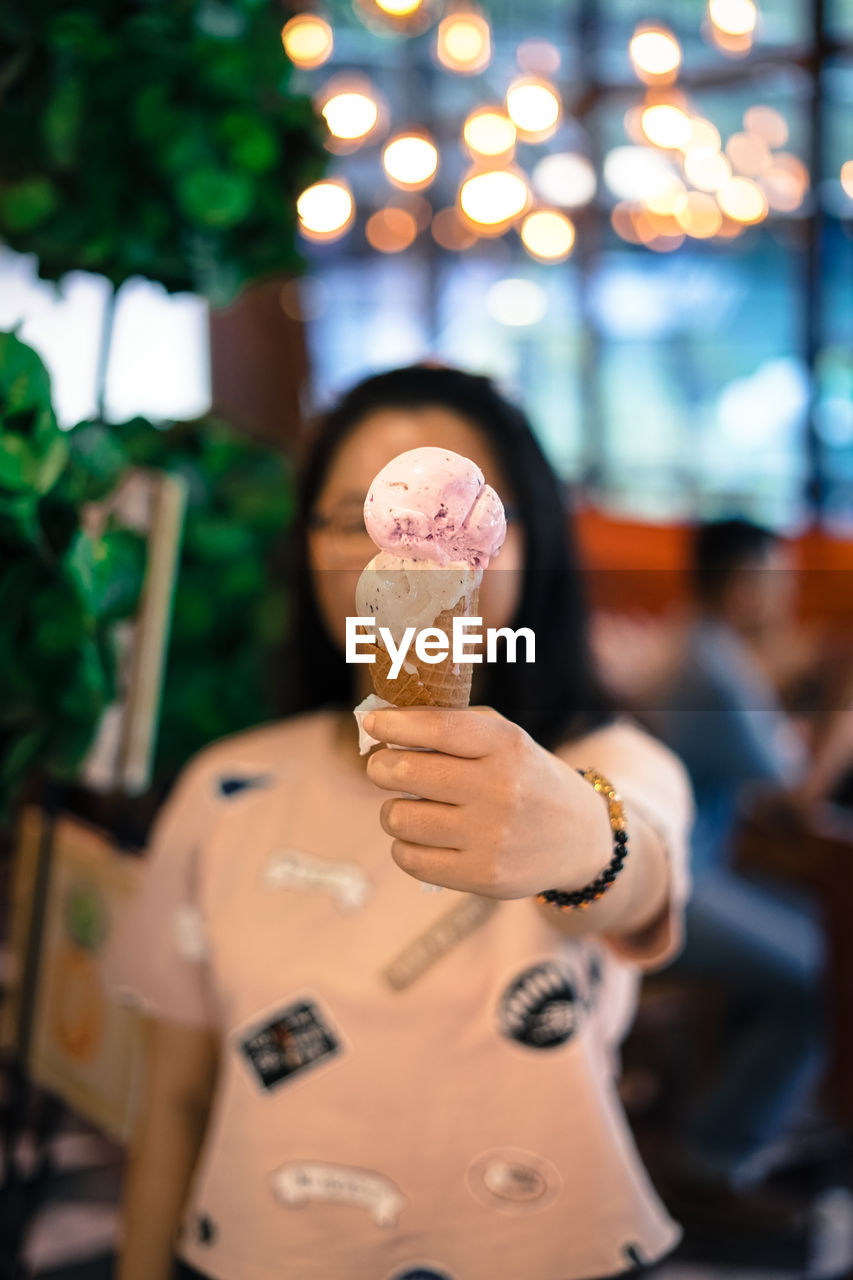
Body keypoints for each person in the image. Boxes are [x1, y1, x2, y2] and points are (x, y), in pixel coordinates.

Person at [107, 365, 693, 1280]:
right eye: (358, 521)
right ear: (307, 548)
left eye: (458, 522)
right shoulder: (225, 789)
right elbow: (175, 1098)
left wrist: (583, 840)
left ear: (527, 542)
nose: (411, 560)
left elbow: (633, 870)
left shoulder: (611, 767)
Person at [651, 518, 827, 1194]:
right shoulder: (714, 671)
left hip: (689, 870)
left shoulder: (690, 646)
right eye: (776, 576)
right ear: (745, 582)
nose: (785, 592)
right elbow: (797, 794)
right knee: (821, 967)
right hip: (679, 886)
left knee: (807, 923)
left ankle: (718, 1120)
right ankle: (714, 1158)